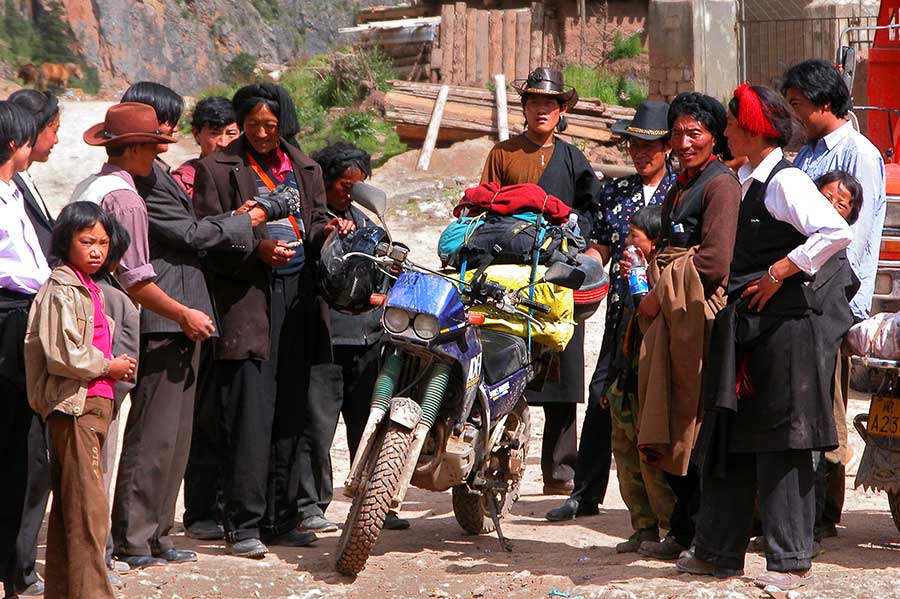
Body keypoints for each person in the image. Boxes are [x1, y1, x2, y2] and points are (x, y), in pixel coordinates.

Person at [676, 84, 852, 591]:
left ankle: (790, 562)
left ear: (753, 130)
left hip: (784, 335)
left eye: (731, 124)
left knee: (784, 446)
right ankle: (717, 552)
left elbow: (834, 232)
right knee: (728, 441)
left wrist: (780, 269)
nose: (725, 131)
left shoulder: (786, 182)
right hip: (747, 332)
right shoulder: (748, 177)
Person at [107, 81, 284, 568]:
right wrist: (246, 220)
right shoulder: (135, 183)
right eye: (161, 129)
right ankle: (135, 537)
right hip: (165, 316)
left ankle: (158, 534)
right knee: (152, 434)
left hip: (182, 312)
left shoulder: (155, 173)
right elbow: (187, 233)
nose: (167, 135)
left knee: (175, 436)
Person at [193, 83, 342, 558]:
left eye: (271, 126)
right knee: (251, 414)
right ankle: (244, 523)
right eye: (253, 125)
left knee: (291, 412)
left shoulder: (305, 166)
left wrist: (330, 231)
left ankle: (283, 516)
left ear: (285, 124)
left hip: (298, 300)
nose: (261, 133)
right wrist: (257, 248)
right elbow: (209, 236)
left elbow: (315, 220)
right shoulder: (215, 170)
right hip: (249, 299)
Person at [546, 100, 675, 521]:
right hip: (623, 312)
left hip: (667, 313)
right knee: (602, 394)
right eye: (634, 145)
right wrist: (589, 264)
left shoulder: (683, 190)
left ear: (667, 148)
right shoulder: (616, 192)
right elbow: (601, 241)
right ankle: (585, 494)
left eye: (649, 147)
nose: (640, 154)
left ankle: (667, 505)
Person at [481, 67, 603, 494]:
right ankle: (494, 463)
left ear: (562, 109)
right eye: (534, 102)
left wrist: (576, 239)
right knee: (504, 358)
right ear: (525, 108)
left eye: (549, 103)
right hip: (510, 268)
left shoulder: (573, 158)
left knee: (563, 366)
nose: (541, 110)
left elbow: (592, 210)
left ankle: (561, 472)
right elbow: (484, 205)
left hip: (557, 269)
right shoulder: (503, 153)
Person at [634, 92, 742, 561]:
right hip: (674, 316)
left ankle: (701, 535)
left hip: (698, 318)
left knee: (694, 425)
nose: (683, 141)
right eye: (677, 133)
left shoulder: (722, 186)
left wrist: (658, 293)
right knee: (670, 414)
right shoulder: (682, 184)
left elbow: (716, 262)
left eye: (694, 132)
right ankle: (680, 529)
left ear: (714, 137)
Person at [781, 59, 886, 536]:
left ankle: (824, 514)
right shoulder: (806, 154)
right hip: (799, 299)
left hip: (833, 303)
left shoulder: (858, 154)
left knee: (829, 409)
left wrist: (843, 309)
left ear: (824, 103)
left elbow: (854, 240)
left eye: (799, 105)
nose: (794, 114)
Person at [24, 201, 137, 599]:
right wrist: (110, 366)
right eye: (86, 241)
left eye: (103, 243)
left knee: (75, 510)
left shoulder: (92, 289)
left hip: (93, 405)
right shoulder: (61, 289)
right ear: (65, 242)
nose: (96, 250)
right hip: (74, 407)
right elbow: (63, 354)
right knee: (90, 514)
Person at [296, 142, 408, 532]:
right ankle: (311, 506)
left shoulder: (369, 224)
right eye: (345, 184)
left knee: (372, 423)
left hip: (369, 338)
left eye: (358, 185)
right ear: (324, 181)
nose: (350, 192)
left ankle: (375, 504)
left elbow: (389, 274)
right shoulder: (313, 221)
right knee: (318, 427)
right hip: (327, 339)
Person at [4, 88, 59, 598]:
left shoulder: (16, 192)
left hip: (23, 319)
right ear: (19, 141)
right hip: (8, 321)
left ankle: (17, 566)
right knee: (20, 448)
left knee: (28, 449)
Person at [598, 205, 677, 552]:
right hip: (625, 376)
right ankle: (643, 527)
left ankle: (673, 530)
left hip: (652, 379)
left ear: (655, 242)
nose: (628, 242)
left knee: (653, 457)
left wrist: (644, 277)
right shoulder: (630, 272)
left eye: (635, 236)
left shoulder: (666, 273)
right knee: (625, 455)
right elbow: (621, 325)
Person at [94, 218, 140, 589]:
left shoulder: (107, 295)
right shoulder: (112, 296)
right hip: (98, 402)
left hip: (93, 400)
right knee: (96, 482)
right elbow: (128, 362)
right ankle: (98, 559)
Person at [173, 95, 240, 198]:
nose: (223, 143)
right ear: (196, 134)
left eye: (231, 134)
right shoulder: (183, 184)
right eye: (214, 133)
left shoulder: (253, 173)